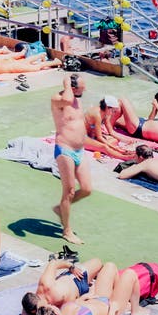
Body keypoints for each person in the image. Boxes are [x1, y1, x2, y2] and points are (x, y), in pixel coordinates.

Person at [51, 74, 91, 244]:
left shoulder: (77, 100)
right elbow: (66, 100)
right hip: (64, 149)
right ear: (72, 88)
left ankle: (61, 208)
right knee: (69, 192)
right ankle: (67, 231)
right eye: (82, 86)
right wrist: (66, 83)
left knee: (87, 189)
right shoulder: (57, 99)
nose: (85, 89)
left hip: (79, 150)